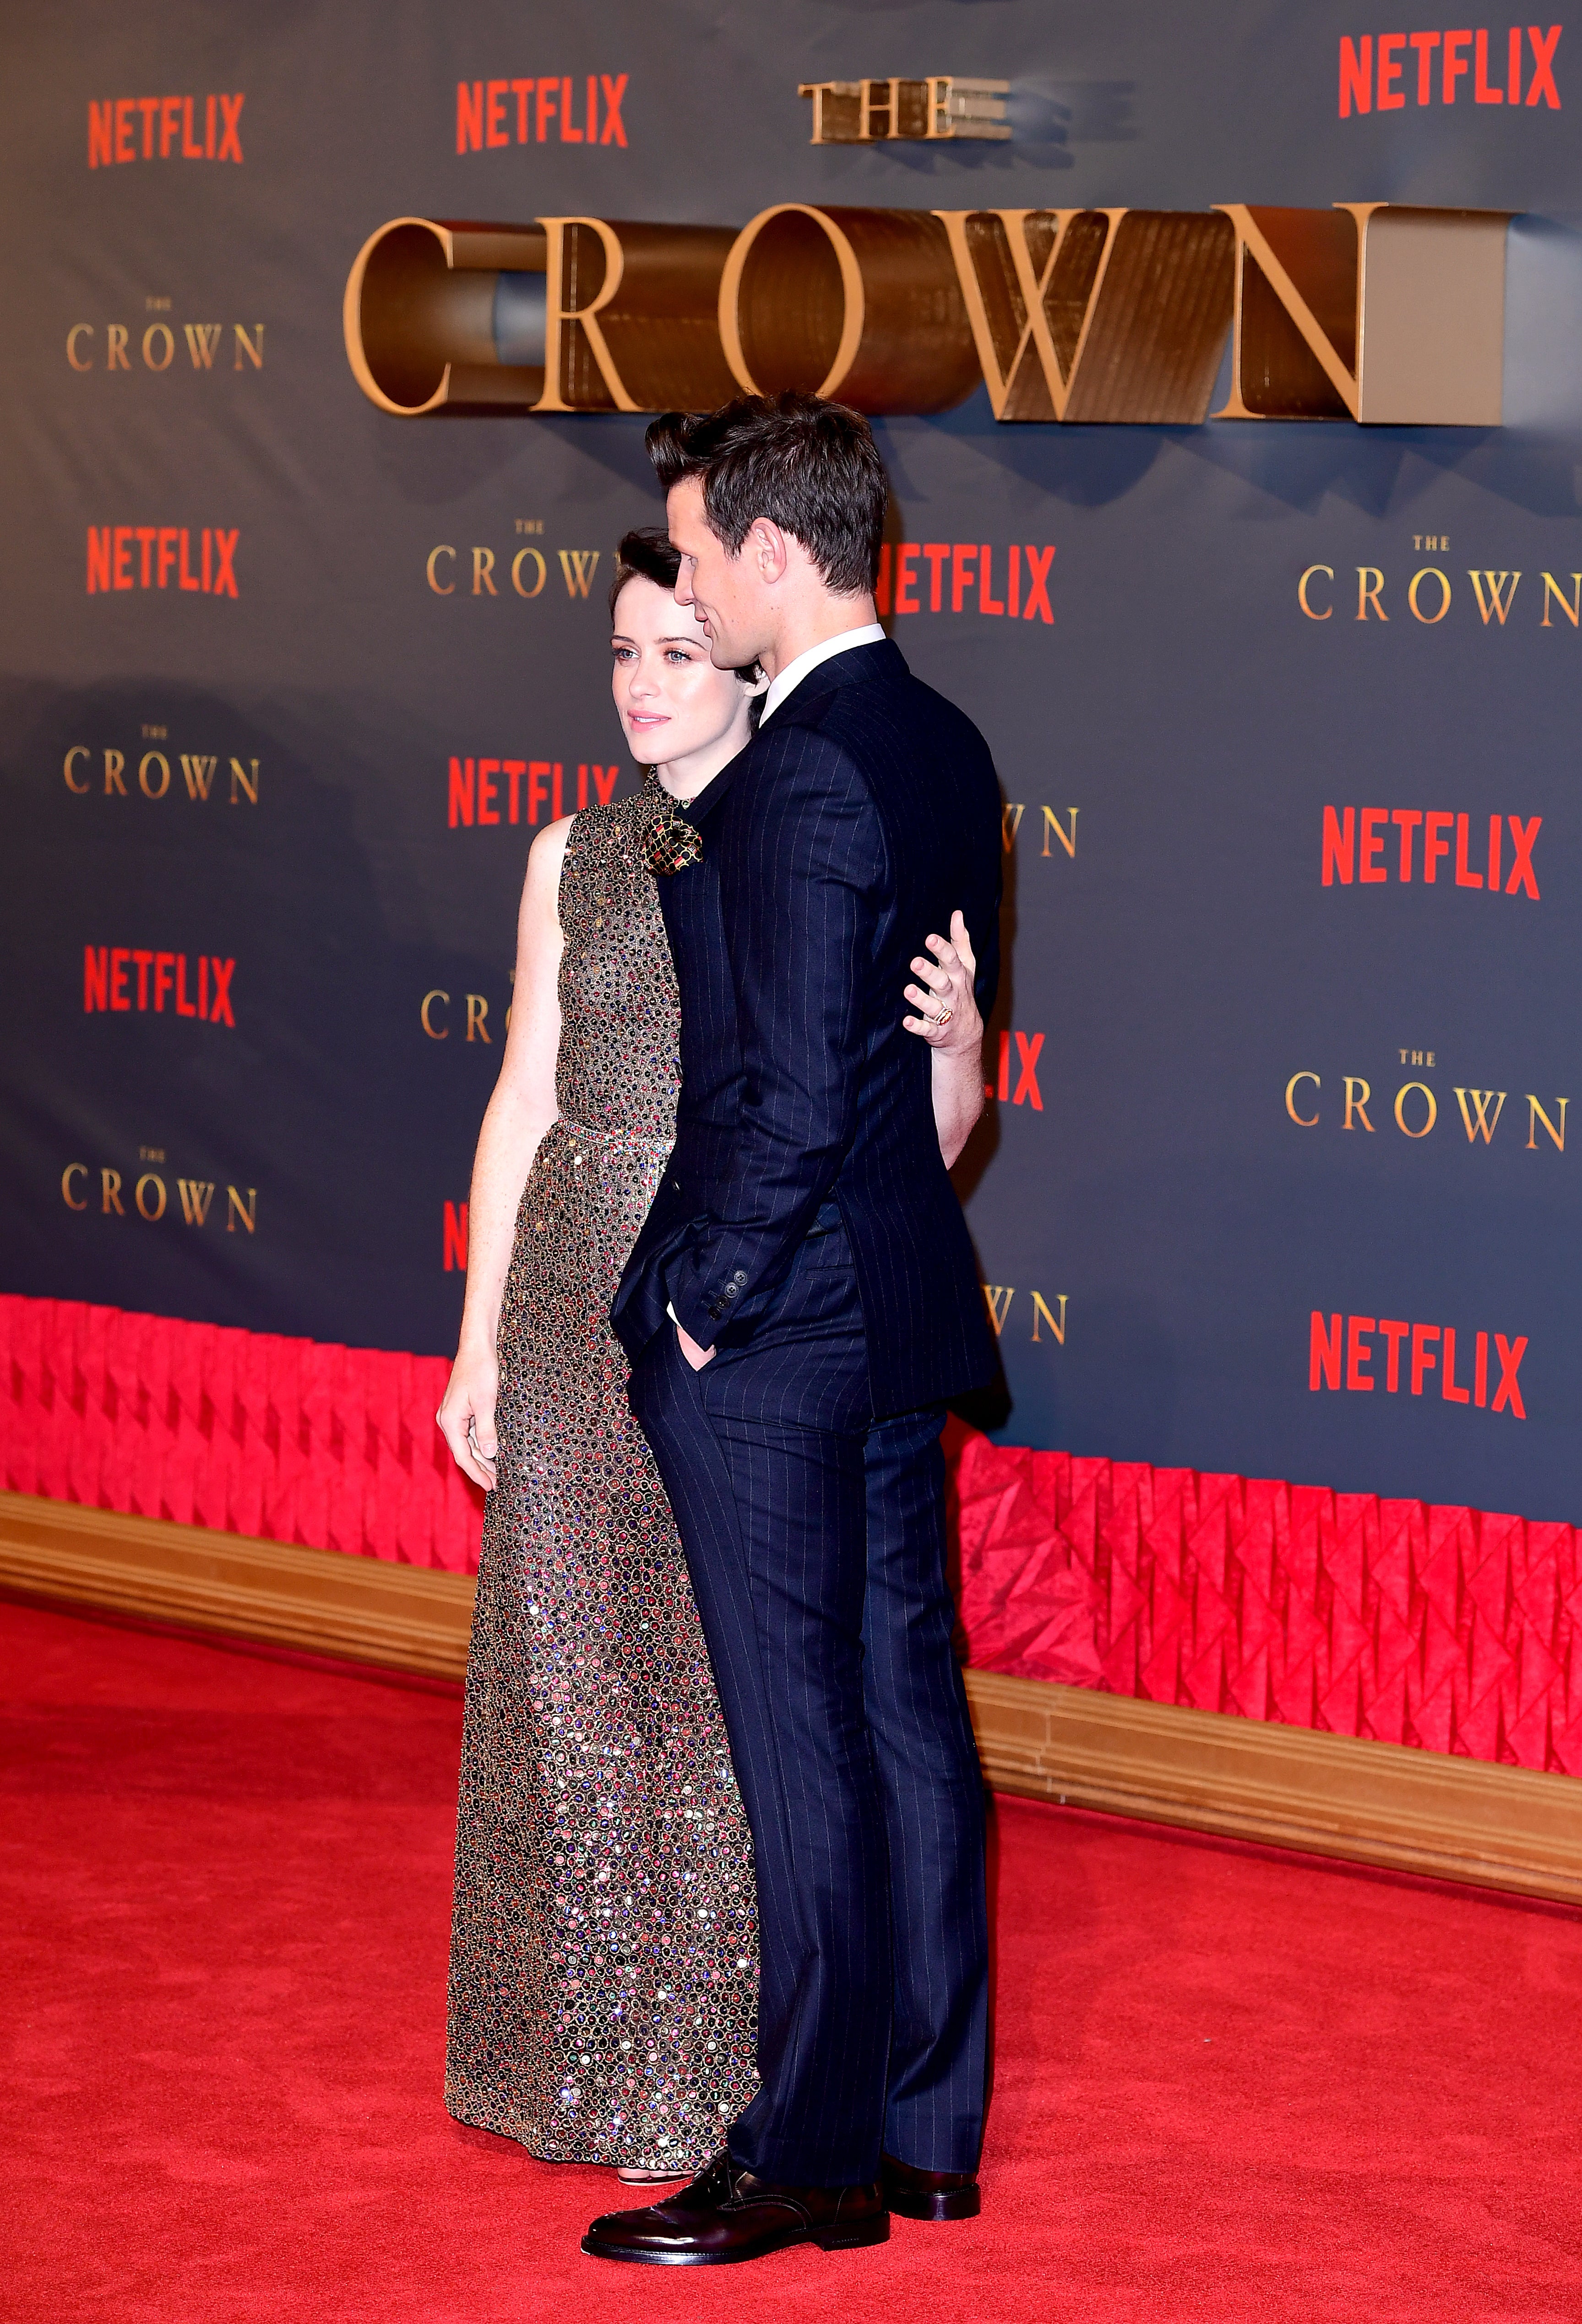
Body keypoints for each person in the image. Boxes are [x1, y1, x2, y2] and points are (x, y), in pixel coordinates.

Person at [436, 526, 988, 2193]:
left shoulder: (801, 825)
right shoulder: (566, 855)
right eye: (620, 654)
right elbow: (525, 1093)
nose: (643, 686)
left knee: (738, 1709)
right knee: (577, 1684)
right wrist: (475, 1334)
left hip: (739, 1318)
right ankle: (585, 2065)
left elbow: (913, 1146)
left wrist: (963, 1043)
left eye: (678, 649)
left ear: (746, 656)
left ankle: (744, 2078)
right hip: (564, 1302)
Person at [587, 394, 1004, 2269]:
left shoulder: (807, 769)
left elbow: (788, 1093)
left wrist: (702, 1304)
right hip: (900, 1305)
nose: (681, 583)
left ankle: (816, 2147)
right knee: (910, 1717)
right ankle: (925, 2129)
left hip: (786, 1333)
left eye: (689, 552)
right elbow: (917, 1072)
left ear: (769, 555)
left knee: (807, 1737)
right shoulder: (945, 744)